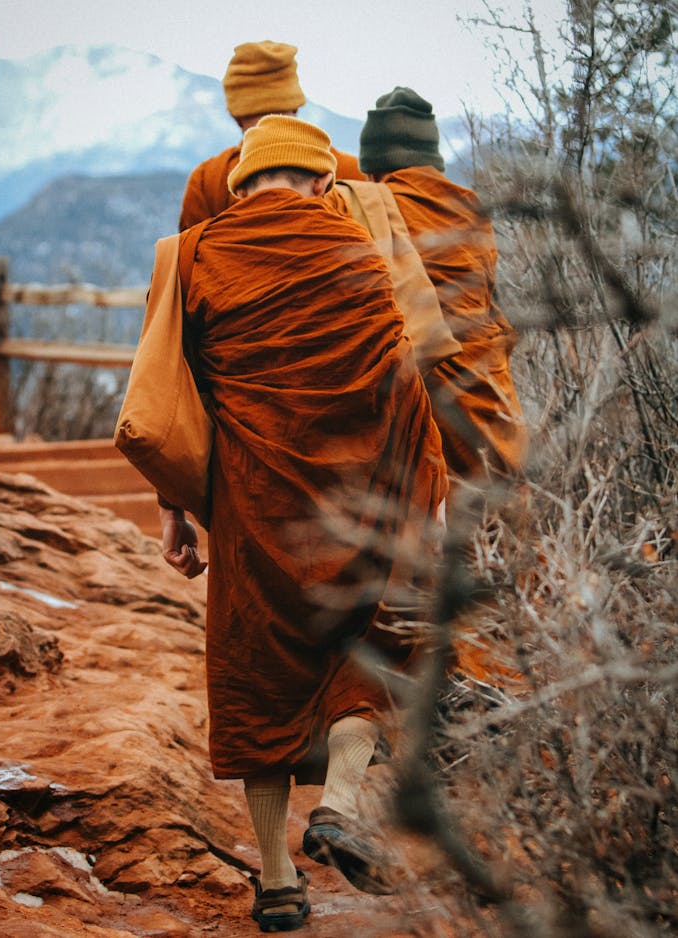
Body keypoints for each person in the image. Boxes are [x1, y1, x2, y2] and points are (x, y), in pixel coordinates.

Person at [160, 114, 447, 932]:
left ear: (241, 180)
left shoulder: (199, 254)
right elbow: (409, 379)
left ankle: (280, 881)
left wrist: (174, 507)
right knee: (372, 644)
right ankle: (344, 801)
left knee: (260, 676)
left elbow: (170, 401)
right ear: (324, 181)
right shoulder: (362, 244)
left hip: (252, 507)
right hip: (364, 497)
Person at [329, 86, 527, 482]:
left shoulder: (362, 208)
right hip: (491, 399)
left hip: (412, 401)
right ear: (433, 162)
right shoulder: (472, 208)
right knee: (497, 523)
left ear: (374, 167)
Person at [178, 40, 364, 231]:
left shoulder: (207, 181)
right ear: (296, 105)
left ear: (235, 116)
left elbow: (189, 255)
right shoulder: (354, 173)